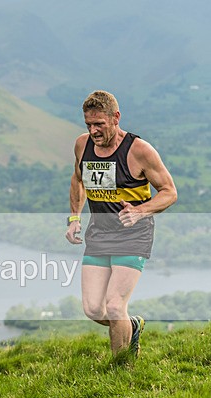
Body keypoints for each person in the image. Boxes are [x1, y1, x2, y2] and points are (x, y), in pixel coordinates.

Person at [65, 90, 177, 357]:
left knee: (115, 306)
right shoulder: (82, 145)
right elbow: (77, 180)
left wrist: (140, 211)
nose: (93, 131)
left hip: (133, 234)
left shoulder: (139, 150)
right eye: (89, 125)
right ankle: (132, 325)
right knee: (93, 309)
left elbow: (169, 192)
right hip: (99, 234)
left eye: (99, 124)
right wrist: (74, 218)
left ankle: (122, 370)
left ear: (116, 118)